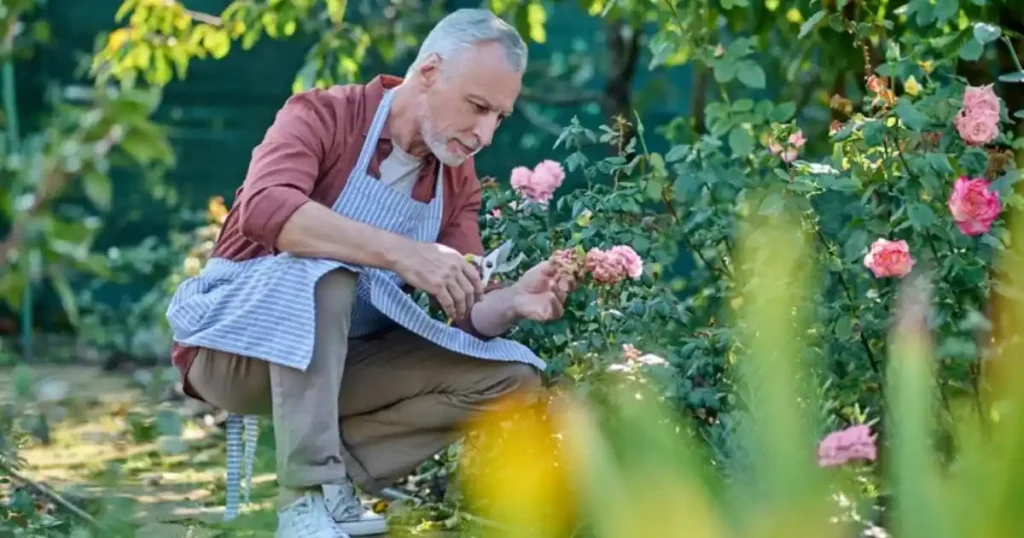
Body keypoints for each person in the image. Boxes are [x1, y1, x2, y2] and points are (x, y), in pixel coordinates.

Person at [164, 8, 575, 538]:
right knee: (327, 274)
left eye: (499, 116)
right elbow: (265, 209)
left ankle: (324, 490)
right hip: (234, 349)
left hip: (341, 365)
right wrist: (403, 253)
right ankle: (303, 500)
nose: (485, 135)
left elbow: (465, 311)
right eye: (477, 107)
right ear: (428, 72)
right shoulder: (324, 113)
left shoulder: (457, 181)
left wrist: (514, 300)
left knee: (510, 377)